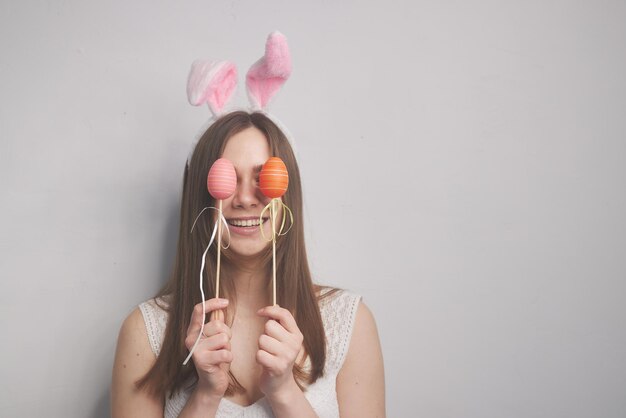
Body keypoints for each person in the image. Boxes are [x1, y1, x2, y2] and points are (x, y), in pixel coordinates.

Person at [111, 111, 386, 417]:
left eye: (263, 178)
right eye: (226, 179)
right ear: (200, 196)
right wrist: (205, 394)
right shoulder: (143, 332)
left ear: (287, 194)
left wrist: (284, 391)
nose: (244, 198)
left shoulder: (350, 321)